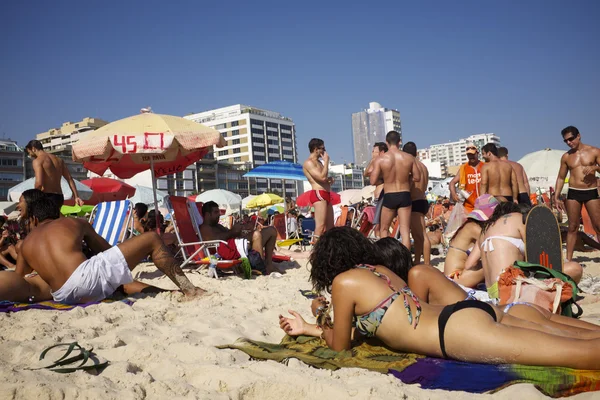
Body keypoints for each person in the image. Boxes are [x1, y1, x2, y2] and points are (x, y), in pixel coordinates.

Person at [278, 227, 600, 369]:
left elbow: (340, 345)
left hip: (457, 333)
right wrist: (310, 326)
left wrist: (318, 322)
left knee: (578, 356)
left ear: (327, 263)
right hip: (469, 311)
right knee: (576, 343)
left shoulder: (343, 282)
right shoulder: (379, 270)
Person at [374, 237, 600, 337]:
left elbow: (417, 323)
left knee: (577, 338)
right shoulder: (422, 273)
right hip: (510, 309)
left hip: (505, 314)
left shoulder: (417, 276)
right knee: (582, 334)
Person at [16, 196, 206, 304]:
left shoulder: (25, 244)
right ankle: (190, 290)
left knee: (117, 281)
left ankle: (168, 294)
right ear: (58, 213)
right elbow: (105, 249)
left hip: (62, 295)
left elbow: (20, 277)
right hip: (85, 280)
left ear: (34, 218)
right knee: (152, 238)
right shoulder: (73, 222)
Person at [479, 202, 583, 303]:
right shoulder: (520, 220)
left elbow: (471, 263)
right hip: (511, 290)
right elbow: (538, 257)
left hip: (492, 293)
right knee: (574, 269)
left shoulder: (486, 229)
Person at [555, 126, 600, 262]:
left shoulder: (594, 151)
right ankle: (568, 259)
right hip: (574, 192)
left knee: (598, 225)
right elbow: (561, 177)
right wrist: (556, 196)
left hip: (590, 191)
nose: (569, 142)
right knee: (572, 227)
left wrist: (595, 167)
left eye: (571, 139)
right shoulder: (566, 157)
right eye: (566, 141)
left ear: (578, 136)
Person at [199, 201, 281, 274]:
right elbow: (216, 239)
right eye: (216, 212)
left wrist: (243, 229)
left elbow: (230, 234)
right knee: (256, 235)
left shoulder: (217, 226)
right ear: (207, 214)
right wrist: (234, 231)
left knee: (271, 230)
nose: (219, 214)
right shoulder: (205, 228)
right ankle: (260, 266)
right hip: (231, 252)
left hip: (239, 246)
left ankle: (269, 264)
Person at [369, 131, 421, 248]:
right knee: (405, 231)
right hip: (404, 194)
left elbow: (372, 181)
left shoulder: (381, 159)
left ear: (387, 142)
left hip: (389, 195)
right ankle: (406, 261)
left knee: (384, 229)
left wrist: (386, 175)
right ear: (399, 142)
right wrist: (405, 176)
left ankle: (387, 258)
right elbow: (417, 177)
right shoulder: (408, 157)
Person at [444, 194, 499, 288]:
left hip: (454, 277)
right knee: (495, 263)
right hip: (456, 278)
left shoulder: (469, 225)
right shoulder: (473, 228)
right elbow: (495, 242)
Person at [25, 139, 84, 209]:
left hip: (47, 196)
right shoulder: (59, 160)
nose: (30, 155)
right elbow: (69, 178)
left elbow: (39, 183)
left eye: (29, 152)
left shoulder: (38, 161)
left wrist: (34, 198)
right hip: (59, 197)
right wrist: (76, 196)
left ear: (33, 149)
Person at [403, 141, 430, 264]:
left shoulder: (410, 166)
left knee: (422, 235)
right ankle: (418, 261)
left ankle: (427, 264)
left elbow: (409, 185)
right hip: (423, 200)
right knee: (417, 236)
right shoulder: (423, 167)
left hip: (415, 201)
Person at [302, 138, 334, 239]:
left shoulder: (319, 163)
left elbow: (323, 178)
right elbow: (322, 177)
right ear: (316, 149)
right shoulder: (308, 163)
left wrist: (329, 180)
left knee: (330, 228)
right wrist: (327, 162)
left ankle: (328, 252)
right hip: (318, 193)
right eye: (323, 148)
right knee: (320, 227)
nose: (324, 151)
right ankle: (315, 252)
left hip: (326, 193)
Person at [449, 143, 484, 213]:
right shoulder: (463, 168)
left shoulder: (484, 166)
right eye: (469, 155)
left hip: (484, 204)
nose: (471, 157)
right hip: (468, 206)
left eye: (473, 154)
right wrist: (453, 194)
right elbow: (452, 183)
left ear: (477, 153)